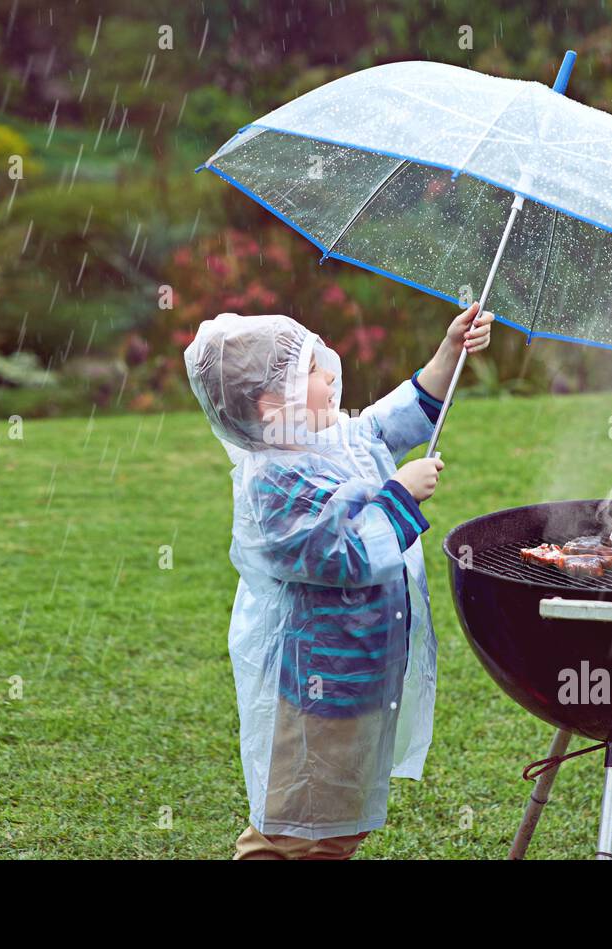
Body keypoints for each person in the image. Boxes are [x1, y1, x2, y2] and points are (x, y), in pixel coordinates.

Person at [183, 302, 492, 859]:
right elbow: (340, 555)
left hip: (357, 671)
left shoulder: (323, 441)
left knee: (330, 822)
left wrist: (450, 351)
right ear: (273, 404)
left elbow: (385, 423)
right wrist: (399, 495)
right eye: (312, 371)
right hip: (323, 682)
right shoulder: (274, 478)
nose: (331, 373)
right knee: (301, 828)